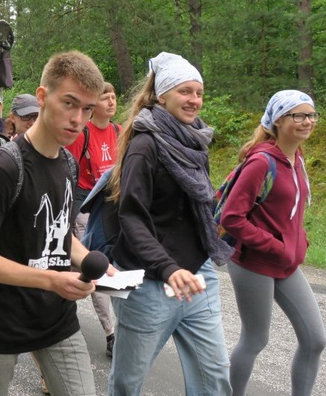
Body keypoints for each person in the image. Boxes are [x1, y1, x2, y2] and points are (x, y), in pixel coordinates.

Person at [0, 51, 108, 396]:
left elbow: (59, 234)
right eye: (69, 103)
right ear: (43, 97)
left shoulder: (69, 165)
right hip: (0, 318)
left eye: (87, 109)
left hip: (56, 318)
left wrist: (88, 260)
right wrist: (51, 280)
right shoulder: (4, 167)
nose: (78, 119)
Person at [105, 52, 233, 395]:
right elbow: (131, 215)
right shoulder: (144, 145)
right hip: (148, 282)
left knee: (215, 377)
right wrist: (167, 267)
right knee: (127, 383)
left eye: (198, 93)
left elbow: (197, 208)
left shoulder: (195, 141)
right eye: (185, 92)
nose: (194, 100)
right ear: (162, 94)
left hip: (197, 275)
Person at [221, 90, 326, 396]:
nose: (307, 122)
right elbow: (231, 218)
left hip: (286, 262)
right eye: (299, 115)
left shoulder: (297, 158)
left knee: (315, 339)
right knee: (255, 339)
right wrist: (276, 245)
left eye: (311, 115)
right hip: (253, 262)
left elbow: (290, 213)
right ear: (279, 120)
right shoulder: (261, 162)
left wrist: (298, 241)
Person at [64, 82, 119, 357]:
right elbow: (68, 171)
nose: (111, 102)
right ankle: (111, 334)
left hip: (111, 208)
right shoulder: (83, 134)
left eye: (113, 97)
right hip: (85, 206)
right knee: (94, 266)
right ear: (93, 105)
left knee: (104, 268)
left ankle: (61, 305)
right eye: (105, 97)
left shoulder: (118, 131)